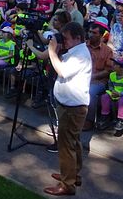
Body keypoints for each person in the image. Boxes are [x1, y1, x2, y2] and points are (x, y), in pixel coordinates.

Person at [43, 22, 92, 197]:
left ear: (78, 38)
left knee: (66, 146)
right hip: (70, 105)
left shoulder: (81, 55)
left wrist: (51, 51)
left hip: (73, 107)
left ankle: (67, 185)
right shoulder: (75, 51)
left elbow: (62, 71)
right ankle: (73, 174)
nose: (64, 41)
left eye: (66, 38)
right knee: (74, 142)